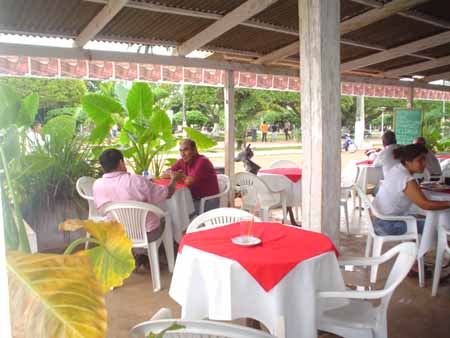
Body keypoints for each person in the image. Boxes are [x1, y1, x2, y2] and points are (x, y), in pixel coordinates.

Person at [93, 148, 181, 242]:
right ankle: (148, 251)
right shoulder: (137, 180)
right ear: (121, 163)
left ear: (102, 167)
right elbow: (167, 193)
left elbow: (101, 210)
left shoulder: (97, 185)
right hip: (147, 233)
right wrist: (174, 180)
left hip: (116, 233)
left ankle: (135, 252)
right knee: (164, 217)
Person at [373, 144, 450, 237]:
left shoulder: (397, 169)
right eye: (420, 160)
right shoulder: (405, 178)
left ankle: (425, 248)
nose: (425, 163)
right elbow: (425, 204)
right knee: (440, 225)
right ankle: (441, 248)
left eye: (425, 159)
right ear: (407, 161)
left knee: (429, 219)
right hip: (388, 225)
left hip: (380, 220)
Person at [162, 139, 220, 215]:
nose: (182, 154)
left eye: (186, 150)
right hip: (193, 199)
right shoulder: (182, 161)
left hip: (207, 202)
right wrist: (176, 175)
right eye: (181, 150)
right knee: (172, 208)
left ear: (194, 150)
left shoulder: (202, 161)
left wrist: (175, 176)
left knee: (176, 212)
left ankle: (187, 226)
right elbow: (163, 175)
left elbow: (189, 181)